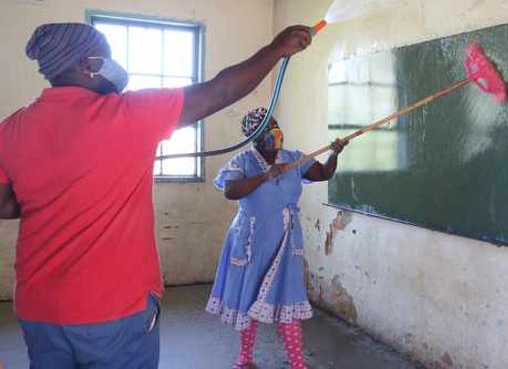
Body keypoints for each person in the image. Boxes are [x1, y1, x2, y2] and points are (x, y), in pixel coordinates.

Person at [0, 22, 312, 368]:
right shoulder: (127, 113)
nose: (115, 66)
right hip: (112, 308)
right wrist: (276, 49)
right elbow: (220, 91)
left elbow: (5, 204)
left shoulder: (12, 128)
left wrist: (55, 193)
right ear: (89, 64)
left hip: (38, 308)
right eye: (107, 57)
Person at [207, 108, 347, 369]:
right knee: (248, 297)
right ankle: (245, 358)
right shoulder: (243, 161)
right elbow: (231, 191)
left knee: (287, 296)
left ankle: (297, 363)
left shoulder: (293, 158)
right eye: (268, 128)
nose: (275, 131)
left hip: (286, 240)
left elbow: (323, 173)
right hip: (251, 241)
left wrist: (334, 154)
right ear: (255, 136)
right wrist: (265, 176)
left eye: (275, 124)